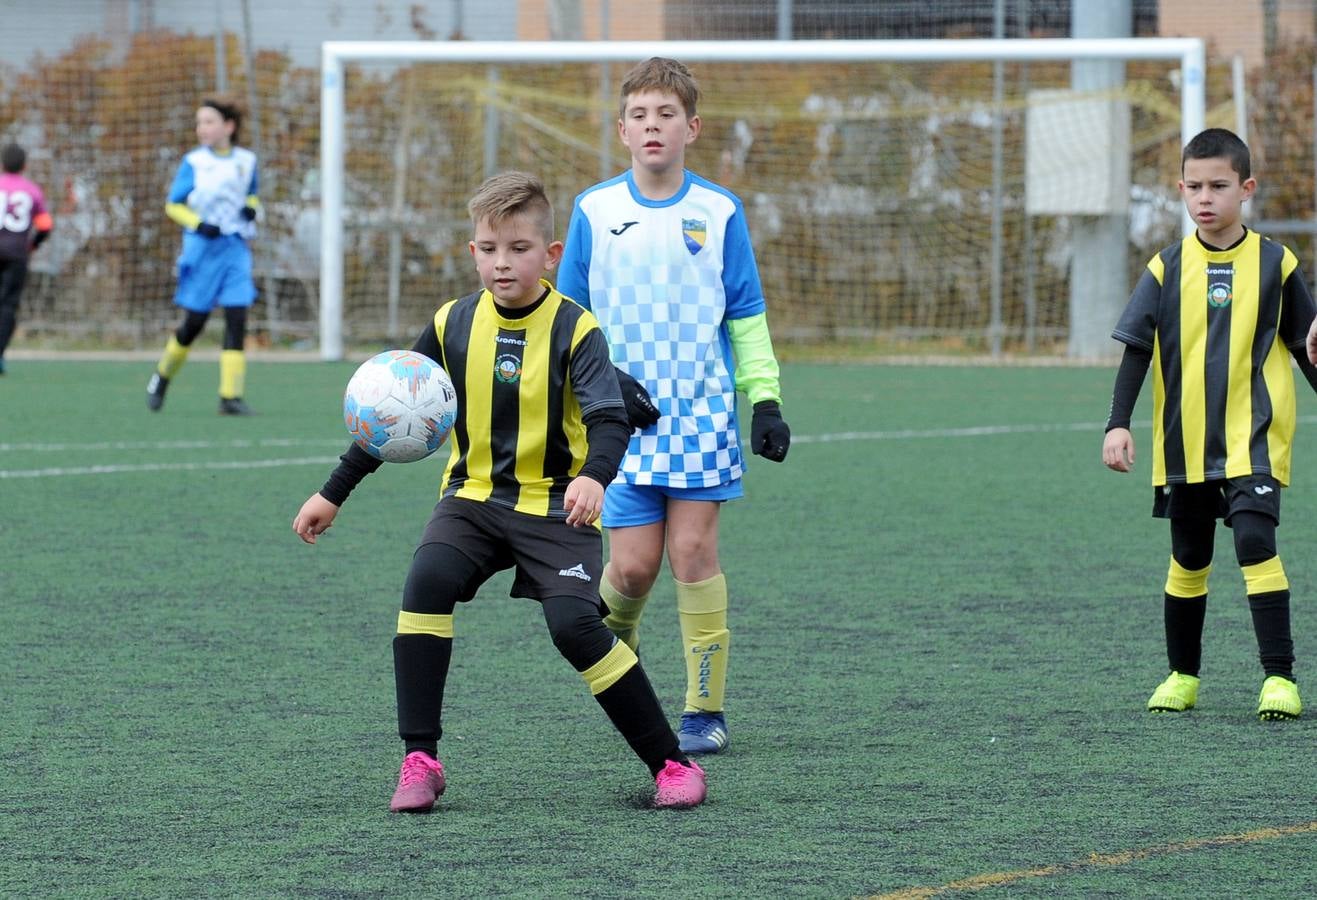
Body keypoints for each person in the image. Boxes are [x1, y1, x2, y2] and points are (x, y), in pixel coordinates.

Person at [292, 171, 707, 812]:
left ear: (550, 255)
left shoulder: (577, 331)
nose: (501, 263)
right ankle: (420, 759)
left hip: (554, 504)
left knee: (575, 627)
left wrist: (595, 476)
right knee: (425, 585)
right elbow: (397, 410)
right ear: (472, 251)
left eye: (517, 248)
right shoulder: (452, 322)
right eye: (488, 248)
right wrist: (333, 492)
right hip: (472, 499)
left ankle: (671, 766)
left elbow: (609, 418)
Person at [556, 57, 791, 756]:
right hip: (616, 423)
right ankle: (617, 671)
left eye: (665, 115)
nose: (651, 126)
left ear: (691, 127)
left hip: (700, 418)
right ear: (620, 130)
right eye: (639, 115)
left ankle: (702, 710)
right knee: (630, 569)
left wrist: (766, 399)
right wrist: (599, 384)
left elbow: (745, 312)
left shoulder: (717, 211)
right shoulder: (595, 210)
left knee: (691, 553)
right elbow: (567, 314)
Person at [1103, 128, 1313, 721]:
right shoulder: (1166, 267)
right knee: (1190, 558)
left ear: (1245, 189)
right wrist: (1118, 423)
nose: (1205, 198)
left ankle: (1279, 679)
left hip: (1255, 437)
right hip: (1184, 444)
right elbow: (1137, 351)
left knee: (1253, 541)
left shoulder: (1277, 262)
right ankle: (1182, 674)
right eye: (1194, 187)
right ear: (1180, 190)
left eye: (1218, 186)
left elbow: (1306, 345)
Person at [146, 96, 260, 415]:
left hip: (235, 250)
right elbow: (173, 204)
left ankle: (230, 397)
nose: (202, 128)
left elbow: (252, 193)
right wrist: (198, 223)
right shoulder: (194, 162)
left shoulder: (246, 161)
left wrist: (253, 206)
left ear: (229, 126)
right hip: (202, 251)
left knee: (237, 318)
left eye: (209, 121)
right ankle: (162, 375)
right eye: (199, 122)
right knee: (193, 324)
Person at [0, 142, 54, 374]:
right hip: (16, 254)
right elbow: (45, 225)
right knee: (8, 306)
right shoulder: (31, 190)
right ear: (24, 165)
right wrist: (32, 245)